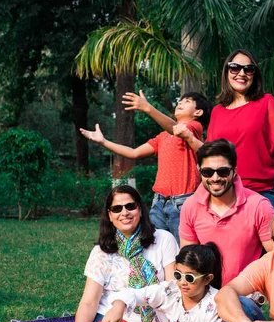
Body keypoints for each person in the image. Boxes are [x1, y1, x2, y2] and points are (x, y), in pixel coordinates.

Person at [0, 185, 178, 322]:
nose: (124, 213)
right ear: (109, 215)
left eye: (130, 206)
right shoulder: (102, 252)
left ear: (140, 209)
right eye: (117, 209)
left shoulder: (163, 240)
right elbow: (89, 302)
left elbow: (172, 289)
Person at [80, 90, 212, 243]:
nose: (180, 103)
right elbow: (134, 153)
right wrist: (103, 141)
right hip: (159, 202)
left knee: (183, 251)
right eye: (180, 101)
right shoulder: (162, 137)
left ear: (198, 112)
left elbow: (176, 129)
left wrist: (148, 108)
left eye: (187, 101)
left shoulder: (194, 128)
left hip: (182, 202)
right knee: (157, 247)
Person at [178, 49, 274, 210]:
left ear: (254, 75)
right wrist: (189, 138)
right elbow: (210, 153)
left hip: (259, 194)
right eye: (235, 67)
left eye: (248, 69)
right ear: (226, 72)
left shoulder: (266, 102)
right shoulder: (218, 111)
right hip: (224, 195)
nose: (242, 73)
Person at [179, 139, 274, 286]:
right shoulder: (190, 206)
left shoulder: (258, 206)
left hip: (245, 293)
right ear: (200, 172)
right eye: (208, 172)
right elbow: (189, 261)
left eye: (223, 171)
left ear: (234, 171)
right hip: (205, 294)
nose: (215, 178)